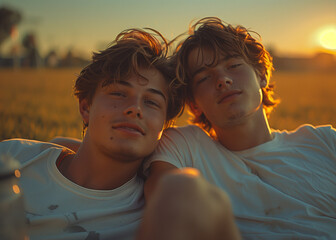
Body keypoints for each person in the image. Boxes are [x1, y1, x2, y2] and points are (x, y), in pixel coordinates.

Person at [1, 27, 241, 240]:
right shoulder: (16, 156)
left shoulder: (160, 213)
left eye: (151, 102)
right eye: (118, 93)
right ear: (86, 107)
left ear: (164, 127)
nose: (135, 108)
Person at [144, 17, 336, 239]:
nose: (222, 79)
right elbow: (163, 201)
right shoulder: (185, 146)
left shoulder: (328, 143)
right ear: (194, 103)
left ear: (261, 75)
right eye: (204, 77)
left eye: (234, 66)